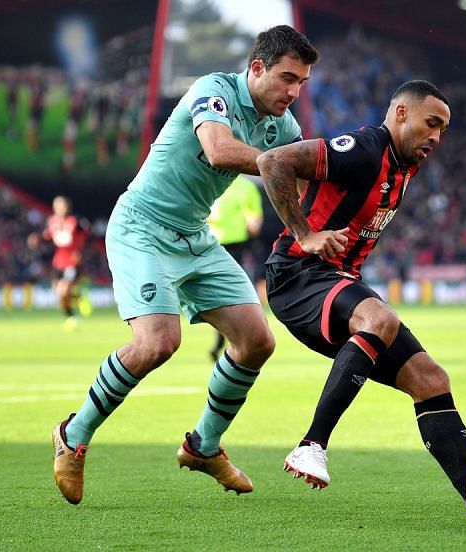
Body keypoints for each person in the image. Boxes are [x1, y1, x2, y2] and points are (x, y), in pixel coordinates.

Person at [51, 25, 320, 505]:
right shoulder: (214, 89)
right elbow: (217, 149)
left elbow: (302, 186)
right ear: (256, 68)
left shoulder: (284, 127)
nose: (294, 92)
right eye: (286, 79)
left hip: (195, 236)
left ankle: (203, 446)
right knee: (158, 342)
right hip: (142, 227)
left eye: (300, 83)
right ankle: (74, 435)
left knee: (257, 340)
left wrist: (327, 219)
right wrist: (277, 164)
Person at [259, 80, 466, 521]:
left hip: (335, 280)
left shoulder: (405, 163)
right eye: (430, 123)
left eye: (444, 129)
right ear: (400, 114)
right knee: (379, 318)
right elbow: (273, 161)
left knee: (431, 379)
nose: (437, 137)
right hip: (298, 275)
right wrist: (305, 233)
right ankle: (311, 445)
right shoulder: (363, 148)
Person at [207, 174, 264, 362]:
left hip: (218, 245)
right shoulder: (245, 186)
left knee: (222, 296)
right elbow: (254, 224)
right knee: (230, 295)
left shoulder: (212, 181)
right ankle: (232, 339)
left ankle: (225, 340)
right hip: (224, 246)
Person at [28, 195, 91, 330]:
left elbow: (86, 235)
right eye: (57, 206)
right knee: (59, 295)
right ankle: (78, 298)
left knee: (63, 290)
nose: (60, 209)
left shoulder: (75, 221)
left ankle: (71, 317)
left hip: (72, 261)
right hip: (58, 261)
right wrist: (37, 239)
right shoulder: (52, 221)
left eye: (63, 206)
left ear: (67, 207)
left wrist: (79, 251)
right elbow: (48, 235)